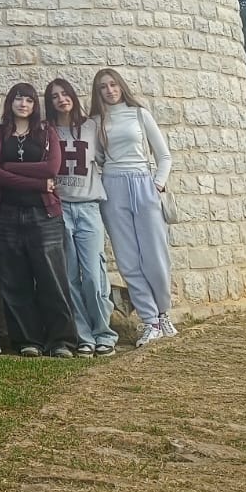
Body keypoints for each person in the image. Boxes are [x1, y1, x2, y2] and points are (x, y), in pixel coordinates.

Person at [0, 82, 74, 357]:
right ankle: (27, 341)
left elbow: (51, 168)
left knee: (52, 280)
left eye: (29, 100)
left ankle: (62, 341)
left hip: (43, 215)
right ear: (10, 102)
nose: (23, 104)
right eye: (18, 99)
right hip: (6, 216)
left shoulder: (47, 133)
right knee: (14, 281)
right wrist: (35, 182)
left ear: (35, 106)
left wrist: (10, 168)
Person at [88, 68, 176, 347]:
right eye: (103, 87)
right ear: (98, 92)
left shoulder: (140, 114)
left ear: (121, 86)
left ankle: (163, 314)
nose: (110, 90)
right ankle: (149, 321)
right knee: (128, 259)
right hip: (113, 186)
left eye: (113, 85)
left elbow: (164, 156)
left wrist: (157, 185)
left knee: (155, 255)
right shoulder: (96, 121)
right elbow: (98, 158)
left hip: (143, 183)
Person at [46, 78, 116, 356]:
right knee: (69, 276)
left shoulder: (92, 126)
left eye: (65, 94)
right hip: (60, 208)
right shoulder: (47, 130)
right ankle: (83, 335)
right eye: (54, 96)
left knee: (93, 274)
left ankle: (104, 332)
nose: (61, 99)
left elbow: (109, 158)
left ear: (73, 96)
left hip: (88, 207)